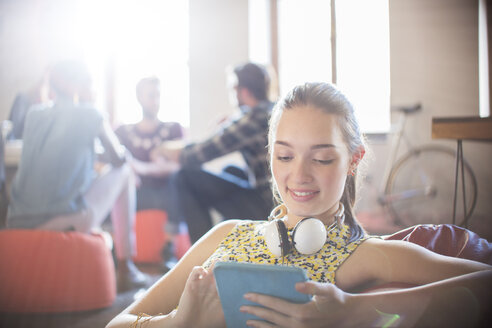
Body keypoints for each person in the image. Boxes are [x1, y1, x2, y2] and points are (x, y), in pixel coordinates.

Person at [106, 82, 491, 328]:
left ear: (353, 160)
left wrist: (352, 310)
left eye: (321, 159)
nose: (299, 176)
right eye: (285, 157)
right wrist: (177, 322)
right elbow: (119, 322)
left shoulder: (364, 254)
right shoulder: (226, 234)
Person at [6, 60, 148, 291]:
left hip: (18, 222)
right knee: (125, 172)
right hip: (60, 221)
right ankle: (126, 266)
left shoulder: (35, 114)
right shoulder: (91, 114)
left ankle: (124, 263)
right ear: (73, 85)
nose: (92, 89)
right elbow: (118, 158)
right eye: (88, 83)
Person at [154, 62, 275, 243]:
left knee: (184, 177)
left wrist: (161, 149)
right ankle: (231, 246)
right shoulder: (271, 110)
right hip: (273, 201)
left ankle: (203, 256)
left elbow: (194, 155)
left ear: (242, 91)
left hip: (268, 209)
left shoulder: (251, 120)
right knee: (231, 170)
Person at [115, 77, 184, 266]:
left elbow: (178, 165)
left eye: (158, 95)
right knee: (118, 181)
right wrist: (142, 169)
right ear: (139, 98)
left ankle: (168, 248)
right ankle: (117, 252)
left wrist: (140, 167)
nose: (156, 101)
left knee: (178, 179)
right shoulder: (123, 132)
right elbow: (116, 164)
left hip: (167, 194)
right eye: (151, 95)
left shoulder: (173, 129)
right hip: (136, 195)